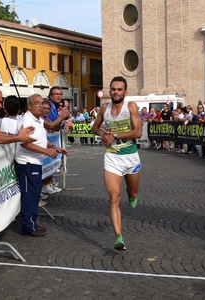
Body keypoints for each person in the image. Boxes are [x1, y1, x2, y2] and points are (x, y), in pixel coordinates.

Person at [91, 76, 142, 251]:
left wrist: (116, 135)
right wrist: (102, 133)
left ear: (125, 92)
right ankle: (119, 236)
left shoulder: (131, 107)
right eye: (113, 89)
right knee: (114, 197)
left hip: (131, 157)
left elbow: (138, 132)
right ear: (110, 91)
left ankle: (132, 194)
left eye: (119, 89)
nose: (116, 92)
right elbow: (94, 127)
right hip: (112, 157)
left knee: (133, 192)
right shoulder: (105, 108)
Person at [15, 94, 68, 237]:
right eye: (36, 103)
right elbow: (25, 143)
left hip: (36, 162)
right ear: (29, 106)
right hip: (27, 163)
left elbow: (40, 139)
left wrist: (54, 147)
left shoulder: (38, 119)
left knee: (35, 194)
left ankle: (33, 223)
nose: (40, 105)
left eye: (41, 103)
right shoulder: (27, 120)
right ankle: (28, 226)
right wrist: (46, 151)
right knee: (29, 196)